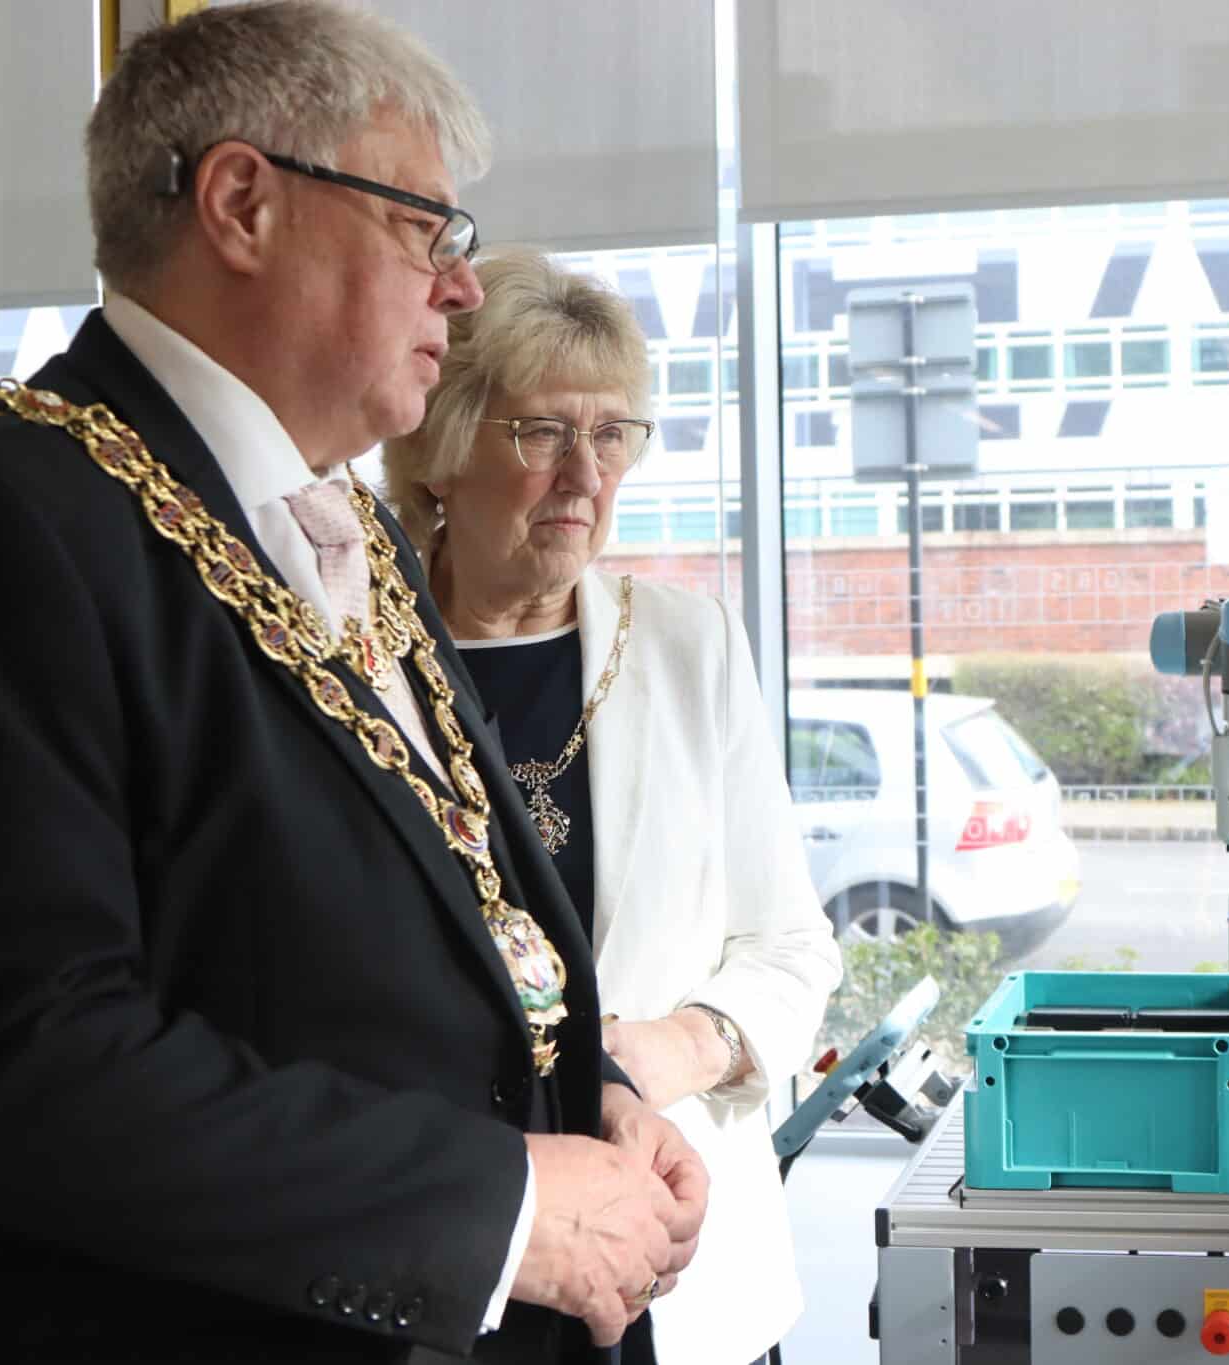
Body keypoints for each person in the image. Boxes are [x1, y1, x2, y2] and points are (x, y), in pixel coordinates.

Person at [0, 5, 707, 1361]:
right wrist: (500, 1203)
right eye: (429, 228)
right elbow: (24, 1057)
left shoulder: (330, 508)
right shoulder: (6, 517)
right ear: (244, 203)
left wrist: (573, 1090)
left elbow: (374, 946)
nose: (463, 288)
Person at [382, 246, 843, 1364]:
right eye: (541, 432)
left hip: (674, 1259)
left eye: (611, 434)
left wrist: (651, 1055)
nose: (584, 474)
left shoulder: (687, 646)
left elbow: (792, 950)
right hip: (443, 1249)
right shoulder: (363, 654)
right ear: (441, 451)